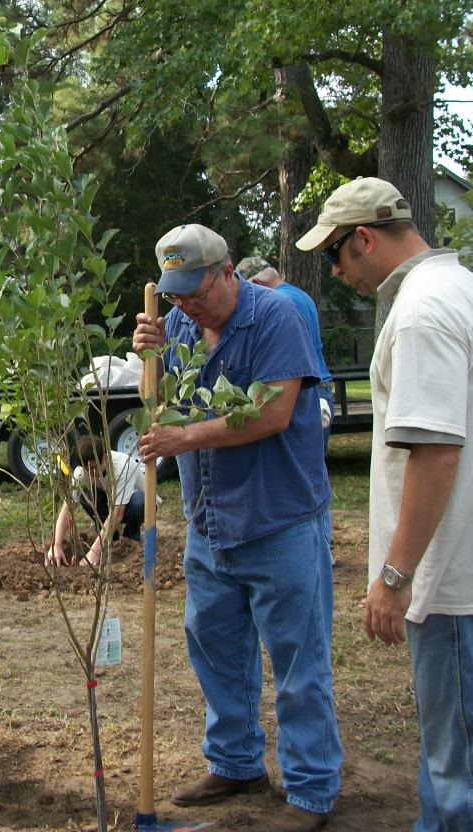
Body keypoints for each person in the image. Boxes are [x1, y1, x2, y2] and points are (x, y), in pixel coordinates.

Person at [296, 176, 473, 831]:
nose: (336, 271)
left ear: (364, 238)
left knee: (467, 766)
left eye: (334, 254)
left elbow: (436, 453)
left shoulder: (422, 313)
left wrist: (395, 576)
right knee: (459, 744)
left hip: (447, 573)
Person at [133, 225, 341, 832]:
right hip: (210, 522)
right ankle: (235, 761)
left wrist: (185, 438)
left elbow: (273, 412)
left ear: (227, 273)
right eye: (175, 294)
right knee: (216, 651)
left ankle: (311, 790)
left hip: (279, 521)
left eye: (195, 293)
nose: (186, 306)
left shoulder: (276, 317)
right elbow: (158, 402)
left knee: (299, 664)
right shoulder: (176, 323)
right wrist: (149, 356)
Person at [234, 256, 334, 441]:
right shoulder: (301, 295)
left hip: (302, 392)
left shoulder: (280, 304)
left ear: (255, 283)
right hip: (321, 386)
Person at [46, 434, 147, 568]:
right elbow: (67, 509)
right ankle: (110, 538)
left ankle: (130, 540)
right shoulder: (81, 473)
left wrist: (94, 552)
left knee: (138, 502)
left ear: (105, 457)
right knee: (85, 494)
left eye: (93, 468)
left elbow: (117, 514)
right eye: (86, 469)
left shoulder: (123, 467)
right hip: (110, 500)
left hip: (138, 502)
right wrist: (56, 545)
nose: (90, 473)